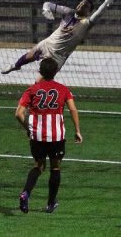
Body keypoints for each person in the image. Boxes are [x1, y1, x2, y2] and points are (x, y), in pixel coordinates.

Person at [1, 0, 121, 75]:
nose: (81, 6)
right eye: (80, 3)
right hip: (47, 44)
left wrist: (107, 1)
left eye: (85, 6)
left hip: (59, 56)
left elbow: (99, 13)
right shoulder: (68, 12)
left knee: (44, 78)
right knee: (28, 56)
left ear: (89, 12)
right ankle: (16, 66)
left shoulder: (87, 23)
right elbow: (48, 4)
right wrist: (46, 10)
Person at [15, 58, 82, 214]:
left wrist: (29, 128)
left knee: (38, 166)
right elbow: (73, 110)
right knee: (55, 168)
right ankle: (51, 203)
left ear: (41, 71)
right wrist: (77, 130)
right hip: (56, 137)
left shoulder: (31, 90)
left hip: (37, 136)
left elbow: (18, 114)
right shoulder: (63, 89)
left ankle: (26, 193)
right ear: (56, 71)